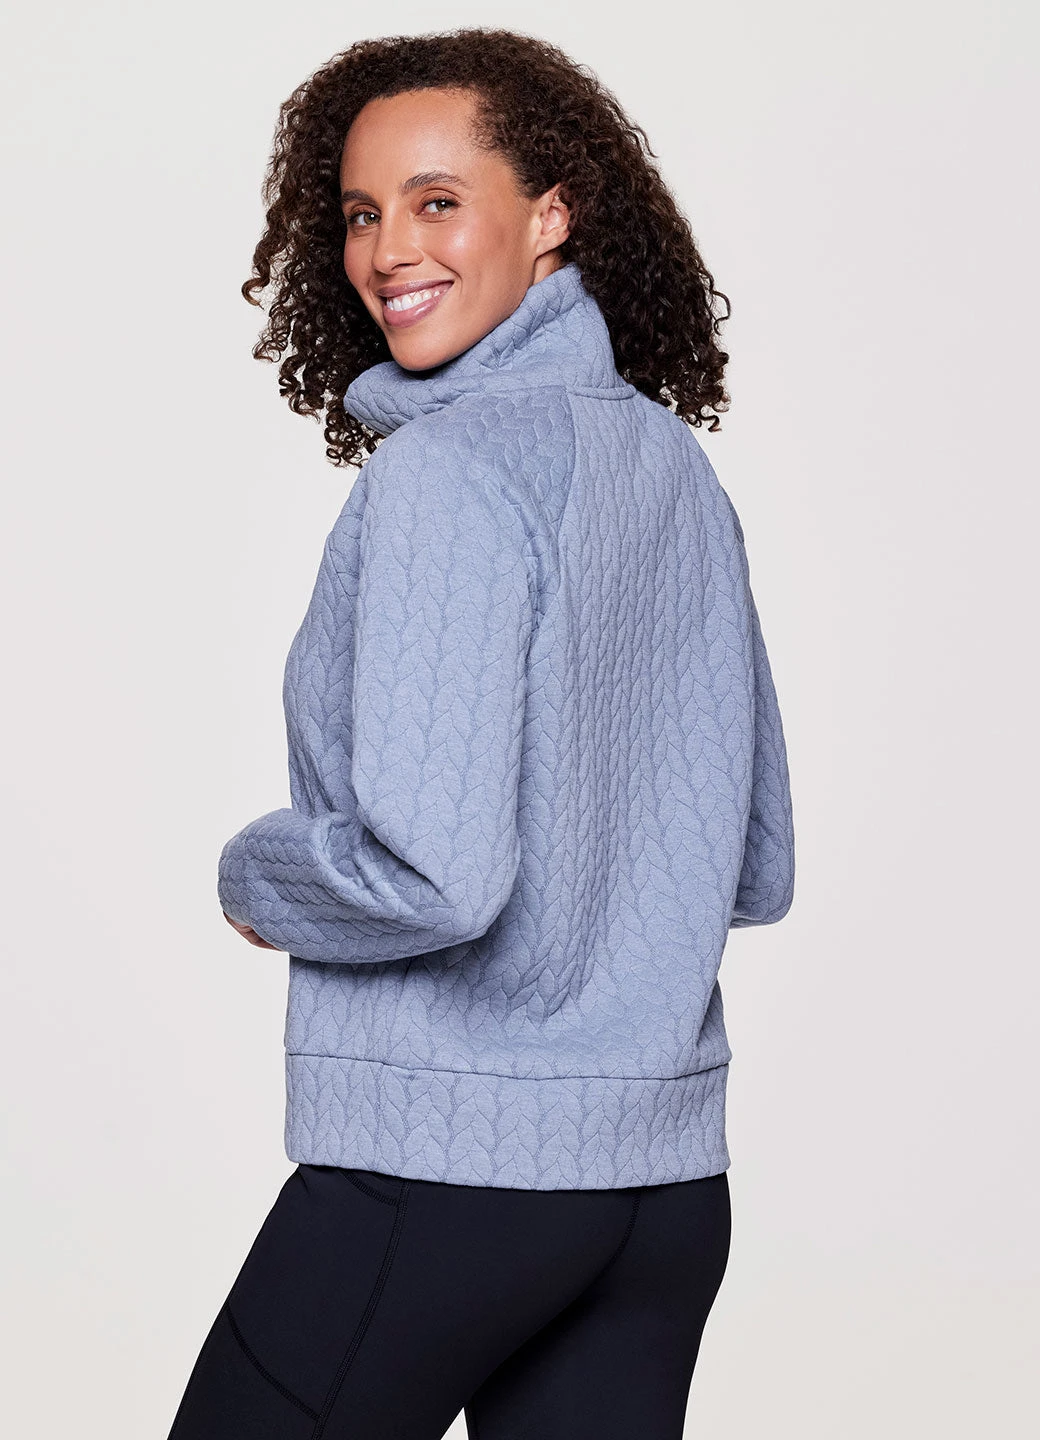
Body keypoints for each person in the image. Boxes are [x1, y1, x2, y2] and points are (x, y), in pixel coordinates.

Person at [167, 26, 795, 1440]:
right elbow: (755, 862)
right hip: (659, 1195)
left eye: (437, 201)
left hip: (449, 1174)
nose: (389, 249)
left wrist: (259, 877)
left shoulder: (444, 477)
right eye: (360, 214)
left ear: (552, 213)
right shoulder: (668, 465)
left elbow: (435, 878)